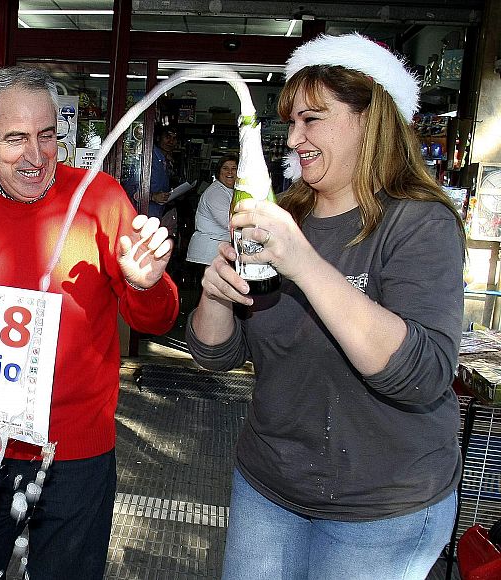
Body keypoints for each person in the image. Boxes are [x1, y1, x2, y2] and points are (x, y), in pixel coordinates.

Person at [186, 33, 465, 579]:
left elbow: (422, 377)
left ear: (371, 120)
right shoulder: (283, 216)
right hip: (270, 486)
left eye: (311, 119)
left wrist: (304, 264)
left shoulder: (419, 224)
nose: (294, 139)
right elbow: (219, 355)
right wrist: (215, 295)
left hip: (381, 507)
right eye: (290, 123)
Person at [0, 66, 179, 580]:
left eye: (47, 136)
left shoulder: (100, 198)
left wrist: (147, 284)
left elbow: (158, 318)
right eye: (15, 139)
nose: (35, 157)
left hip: (79, 449)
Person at [186, 154, 238, 266]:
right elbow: (230, 223)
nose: (230, 172)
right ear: (218, 172)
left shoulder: (232, 191)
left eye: (234, 168)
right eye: (225, 168)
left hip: (220, 253)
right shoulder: (216, 192)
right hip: (207, 255)